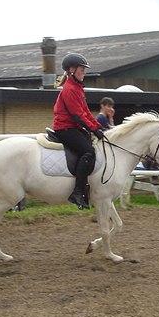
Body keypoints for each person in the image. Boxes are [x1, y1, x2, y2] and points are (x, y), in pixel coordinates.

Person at [52, 53, 105, 209]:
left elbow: (86, 112)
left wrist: (99, 127)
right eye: (82, 69)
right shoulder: (69, 89)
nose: (84, 72)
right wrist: (94, 130)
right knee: (89, 152)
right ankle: (77, 192)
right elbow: (77, 116)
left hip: (73, 128)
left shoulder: (78, 88)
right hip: (65, 129)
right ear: (72, 70)